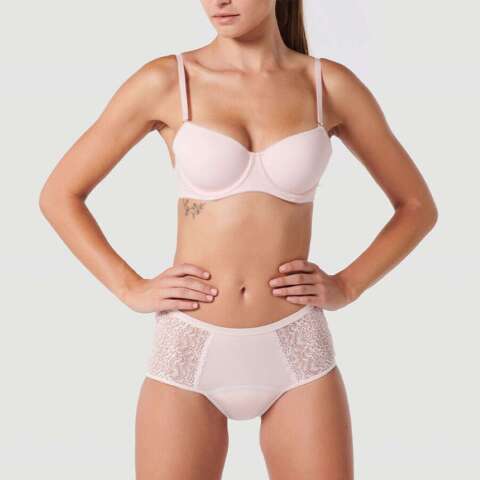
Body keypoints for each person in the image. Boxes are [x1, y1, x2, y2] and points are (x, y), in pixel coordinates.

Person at [39, 1, 438, 478]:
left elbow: (416, 206)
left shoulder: (326, 85)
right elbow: (60, 195)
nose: (219, 0)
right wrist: (129, 287)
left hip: (297, 348)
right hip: (189, 347)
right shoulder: (168, 81)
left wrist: (349, 285)